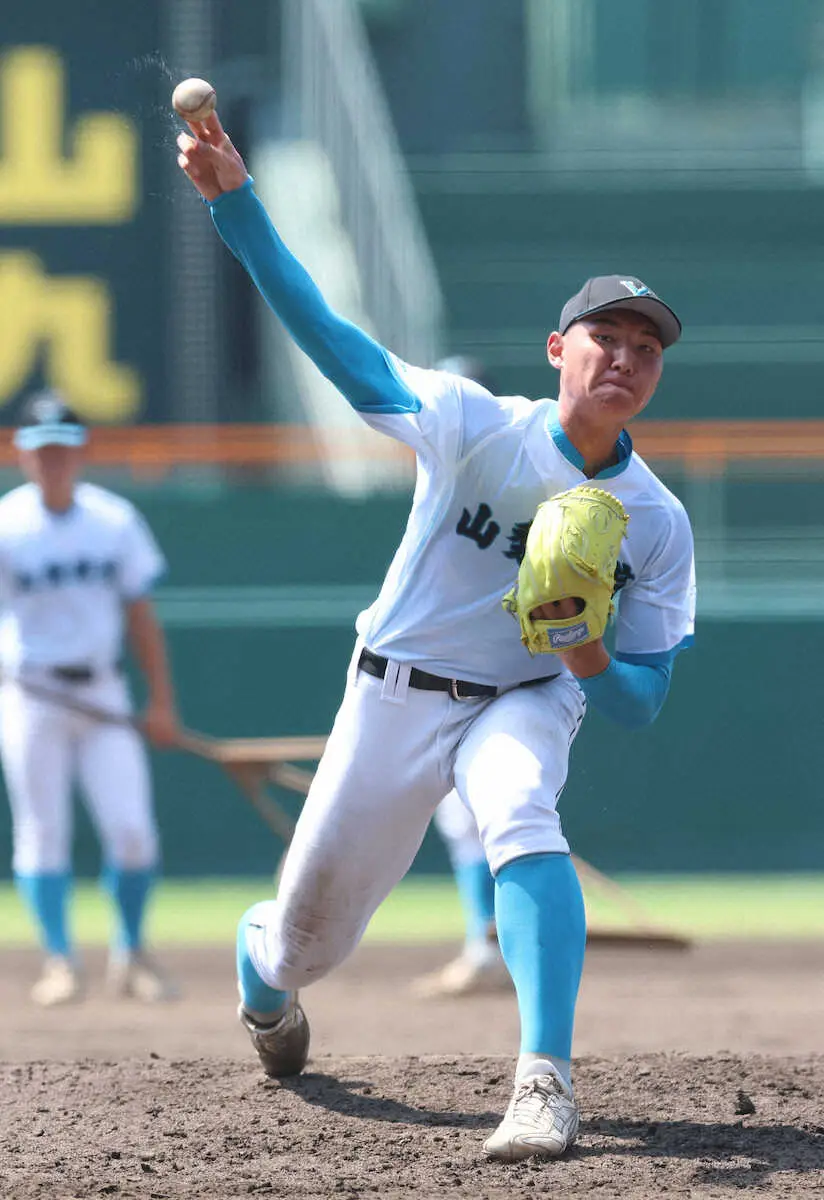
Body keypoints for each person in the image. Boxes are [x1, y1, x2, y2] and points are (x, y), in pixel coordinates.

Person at [176, 112, 695, 1162]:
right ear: (559, 349)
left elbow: (639, 703)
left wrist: (582, 650)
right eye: (607, 337)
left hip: (526, 696)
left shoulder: (656, 521)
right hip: (395, 690)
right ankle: (264, 983)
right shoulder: (469, 423)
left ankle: (543, 1083)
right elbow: (337, 344)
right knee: (302, 944)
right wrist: (235, 205)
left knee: (517, 810)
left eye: (647, 349)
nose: (626, 359)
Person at [0, 392, 181, 1007]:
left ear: (80, 451)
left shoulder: (114, 519)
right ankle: (59, 962)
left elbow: (141, 615)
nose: (52, 459)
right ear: (22, 452)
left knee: (132, 831)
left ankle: (131, 955)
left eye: (62, 447)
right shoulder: (6, 523)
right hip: (31, 692)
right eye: (41, 448)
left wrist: (160, 701)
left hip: (104, 692)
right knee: (42, 831)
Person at [413, 355, 510, 999]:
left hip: (502, 678)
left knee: (500, 815)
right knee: (465, 820)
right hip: (447, 676)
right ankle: (487, 944)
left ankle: (496, 944)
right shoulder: (444, 480)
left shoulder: (512, 480)